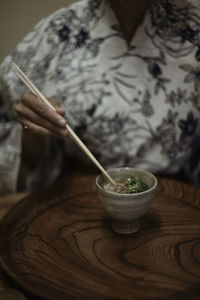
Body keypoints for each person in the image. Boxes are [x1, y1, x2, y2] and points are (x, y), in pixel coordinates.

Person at [0, 0, 200, 193]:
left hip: (175, 196)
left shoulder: (194, 31)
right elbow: (18, 145)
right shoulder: (59, 30)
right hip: (77, 195)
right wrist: (32, 129)